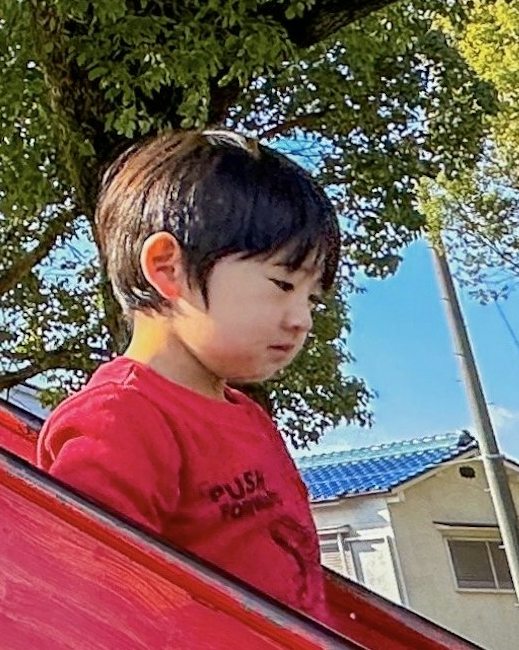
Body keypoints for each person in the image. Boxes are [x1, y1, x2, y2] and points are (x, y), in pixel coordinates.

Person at [35, 129, 339, 624]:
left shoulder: (245, 415)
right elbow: (87, 585)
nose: (301, 318)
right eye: (282, 284)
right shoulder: (123, 417)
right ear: (167, 268)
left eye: (311, 299)